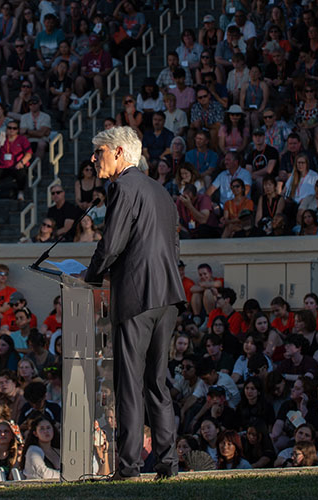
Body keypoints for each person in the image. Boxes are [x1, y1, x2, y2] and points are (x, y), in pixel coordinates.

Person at [84, 127, 185, 480]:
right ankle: (167, 463)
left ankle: (127, 467)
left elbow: (111, 244)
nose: (94, 158)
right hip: (168, 296)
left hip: (137, 295)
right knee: (157, 383)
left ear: (119, 152)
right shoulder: (160, 191)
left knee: (129, 383)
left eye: (99, 152)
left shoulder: (122, 187)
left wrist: (91, 276)